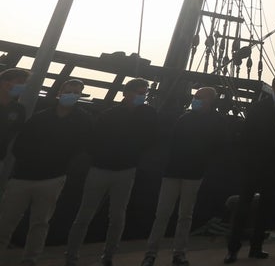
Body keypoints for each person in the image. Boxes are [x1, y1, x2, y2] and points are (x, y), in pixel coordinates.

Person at [66, 78, 158, 266]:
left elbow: (151, 137)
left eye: (144, 93)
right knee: (85, 214)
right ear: (127, 93)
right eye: (139, 93)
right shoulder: (110, 115)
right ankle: (71, 255)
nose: (142, 96)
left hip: (125, 170)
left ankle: (108, 256)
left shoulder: (148, 114)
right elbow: (94, 139)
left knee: (117, 216)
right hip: (101, 168)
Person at [0, 79, 92, 266]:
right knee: (5, 221)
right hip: (23, 177)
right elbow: (20, 146)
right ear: (60, 92)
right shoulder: (41, 117)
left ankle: (30, 259)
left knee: (40, 223)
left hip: (53, 178)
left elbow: (83, 148)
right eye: (69, 91)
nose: (72, 95)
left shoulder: (83, 120)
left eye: (76, 92)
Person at [141, 87, 230, 266]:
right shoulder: (185, 118)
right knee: (162, 214)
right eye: (195, 97)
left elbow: (218, 145)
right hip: (173, 172)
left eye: (199, 97)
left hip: (193, 173)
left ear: (210, 101)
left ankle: (179, 253)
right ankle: (150, 254)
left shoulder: (215, 121)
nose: (195, 99)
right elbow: (173, 143)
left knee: (185, 215)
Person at [226, 72, 275, 262]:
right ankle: (233, 249)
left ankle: (256, 247)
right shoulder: (259, 106)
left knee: (266, 206)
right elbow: (247, 133)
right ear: (274, 85)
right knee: (243, 205)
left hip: (274, 165)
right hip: (255, 162)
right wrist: (247, 160)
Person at [0, 68, 29, 163]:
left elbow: (14, 135)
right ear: (5, 83)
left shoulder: (19, 109)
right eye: (20, 82)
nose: (23, 86)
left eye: (24, 83)